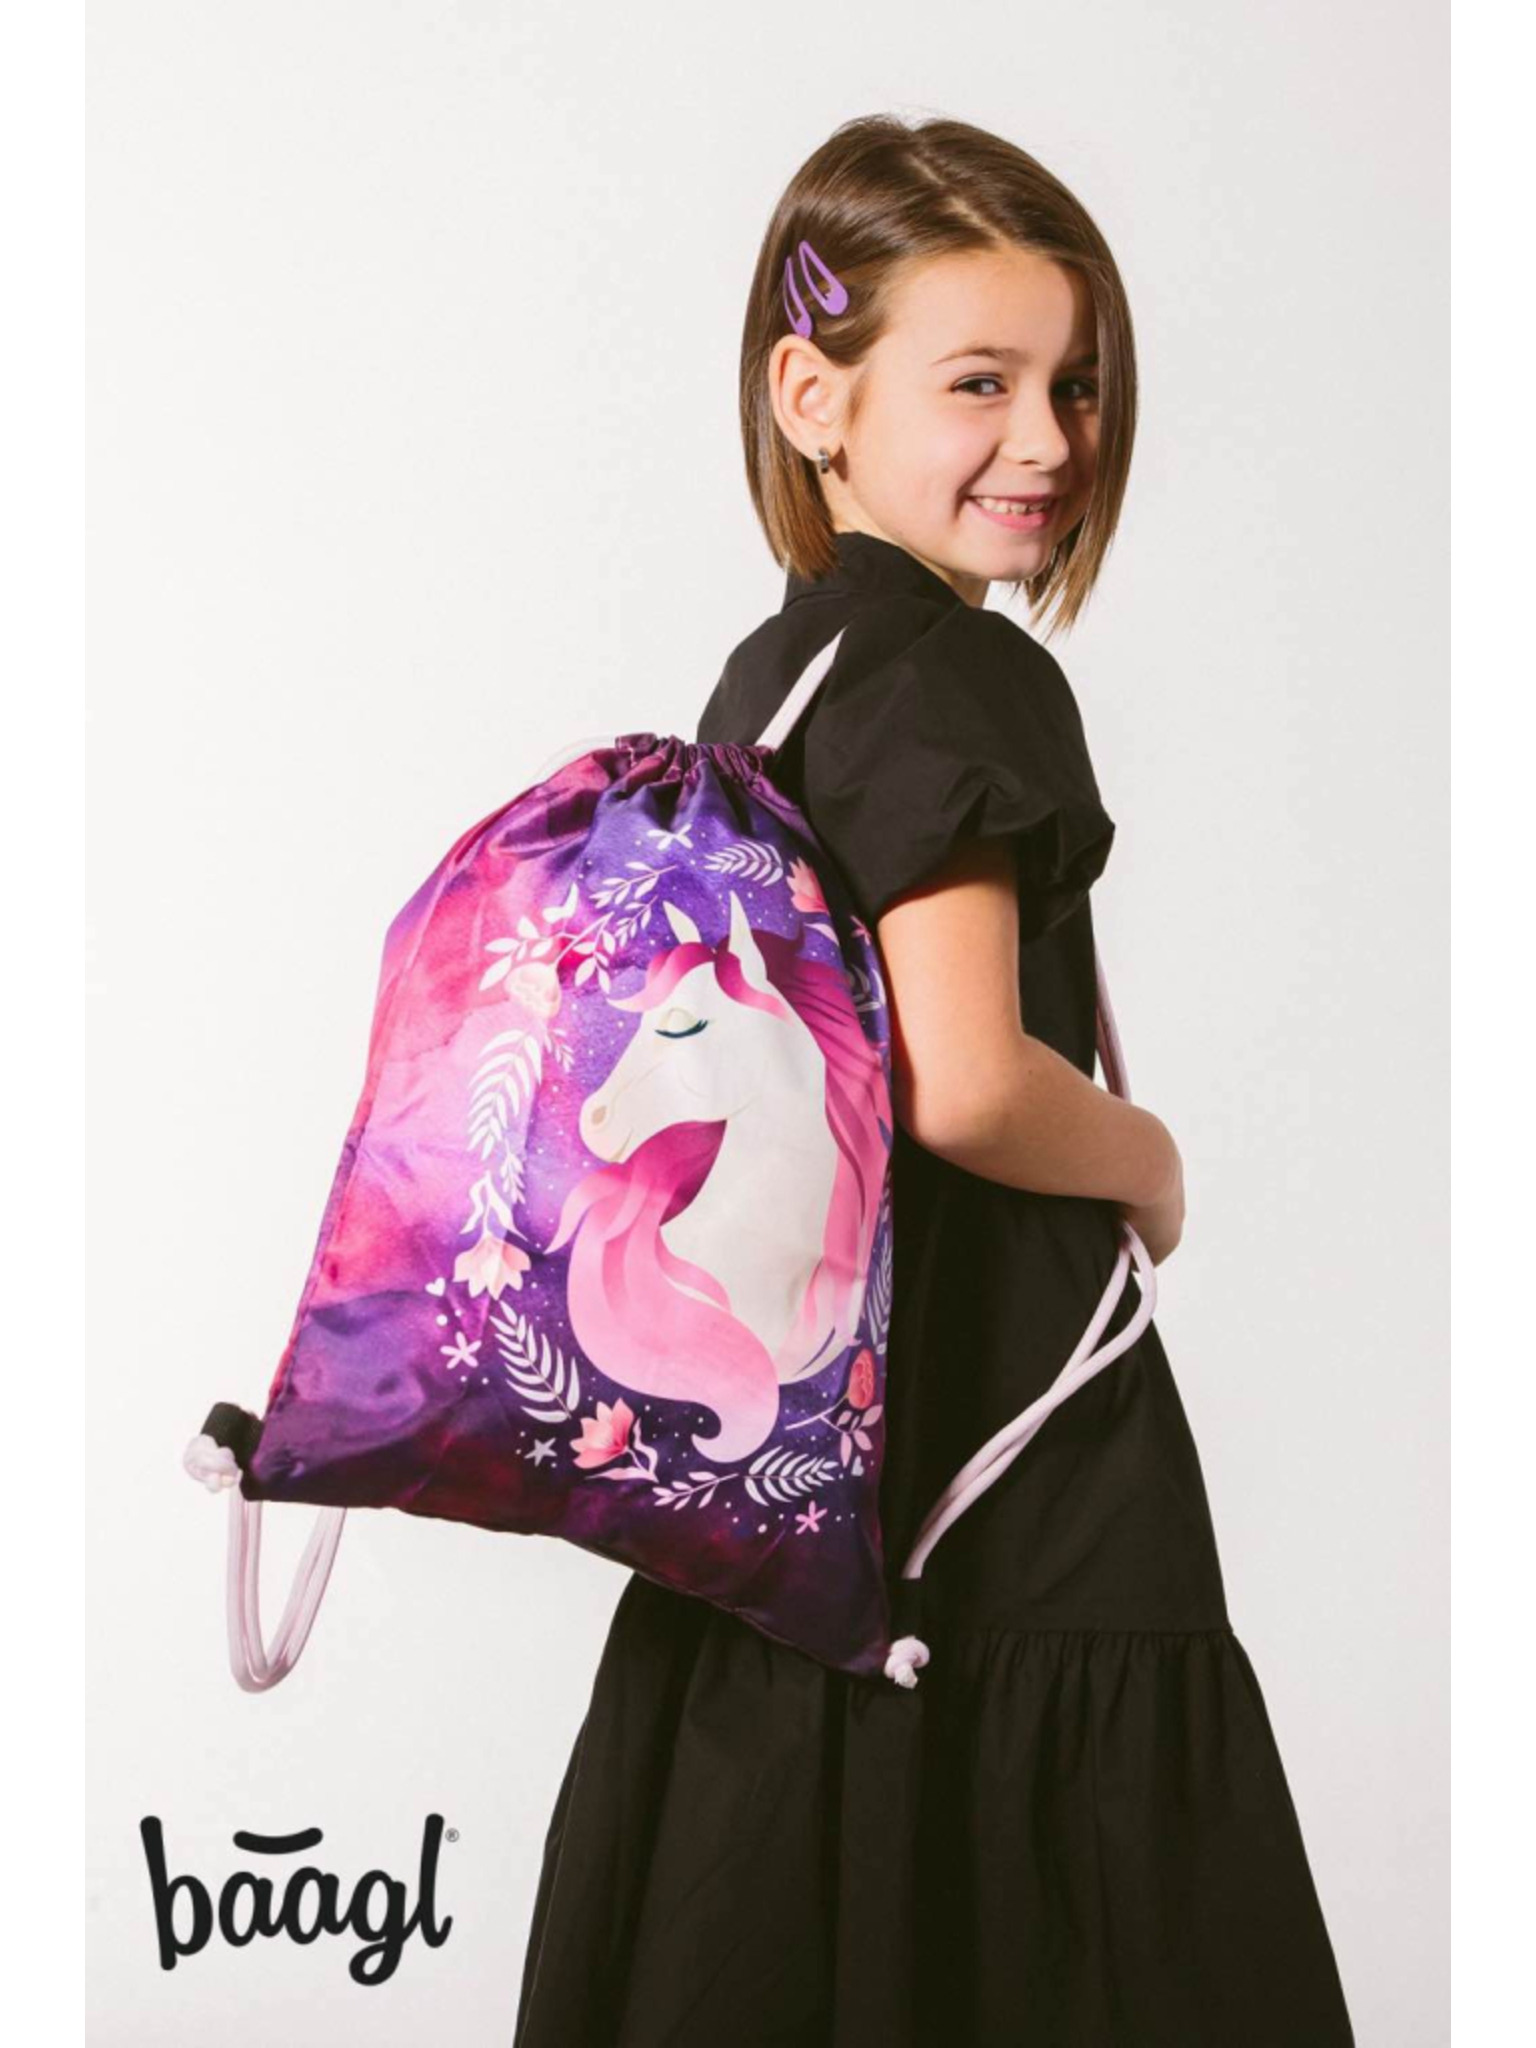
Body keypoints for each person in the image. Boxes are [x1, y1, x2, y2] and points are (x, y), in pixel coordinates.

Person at [513, 112, 1355, 2047]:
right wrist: (1151, 1163)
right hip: (1010, 1453)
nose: (1046, 439)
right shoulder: (967, 680)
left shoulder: (770, 684)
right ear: (812, 397)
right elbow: (967, 1086)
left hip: (818, 1471)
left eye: (1076, 382)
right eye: (979, 381)